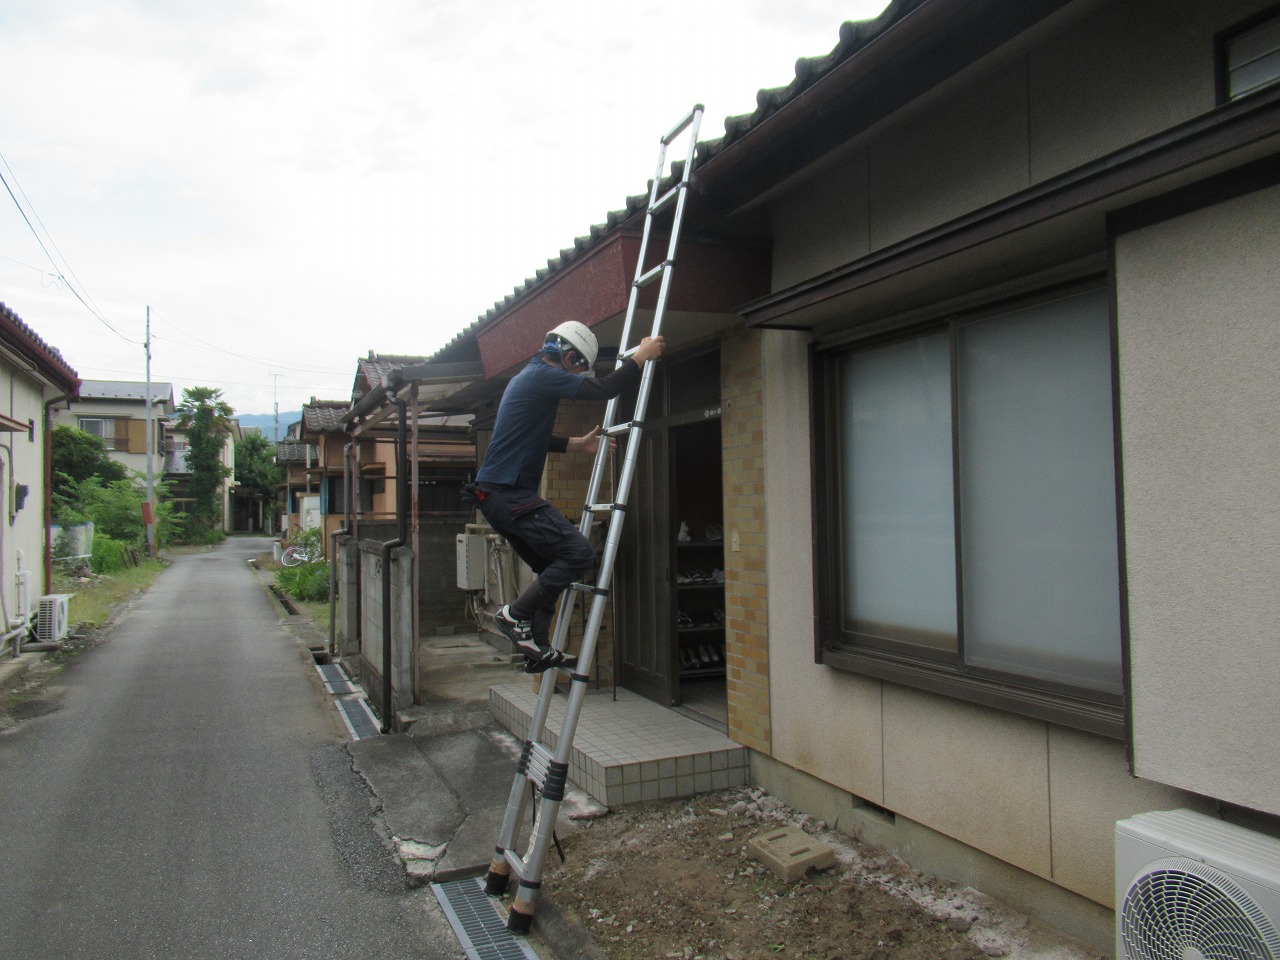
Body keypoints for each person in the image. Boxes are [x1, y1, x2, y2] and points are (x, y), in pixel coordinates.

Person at [471, 320, 665, 672]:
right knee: (578, 552)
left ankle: (536, 647)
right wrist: (640, 357)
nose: (577, 375)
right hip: (509, 494)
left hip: (497, 496)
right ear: (569, 355)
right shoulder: (542, 375)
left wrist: (577, 444)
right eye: (577, 367)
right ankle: (514, 615)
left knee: (551, 566)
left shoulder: (527, 380)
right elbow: (604, 388)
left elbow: (532, 437)